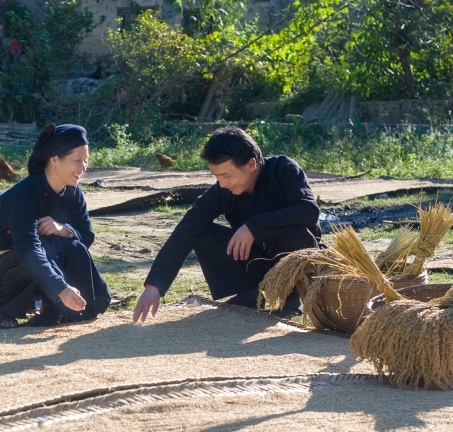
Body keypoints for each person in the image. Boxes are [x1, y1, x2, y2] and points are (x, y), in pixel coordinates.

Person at [132, 126, 320, 323]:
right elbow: (186, 230)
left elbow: (308, 211)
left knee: (298, 235)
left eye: (227, 176)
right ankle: (249, 293)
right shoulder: (223, 191)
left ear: (251, 164)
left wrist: (252, 228)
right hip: (254, 261)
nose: (222, 184)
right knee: (199, 230)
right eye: (217, 177)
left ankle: (291, 301)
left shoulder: (284, 169)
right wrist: (154, 287)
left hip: (292, 258)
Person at [0, 123, 111, 328]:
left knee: (72, 245)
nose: (83, 168)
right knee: (40, 249)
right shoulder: (24, 194)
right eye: (77, 161)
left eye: (85, 161)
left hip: (36, 271)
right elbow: (28, 249)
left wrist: (63, 229)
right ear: (55, 159)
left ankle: (61, 309)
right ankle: (3, 310)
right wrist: (61, 288)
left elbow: (87, 236)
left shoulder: (74, 193)